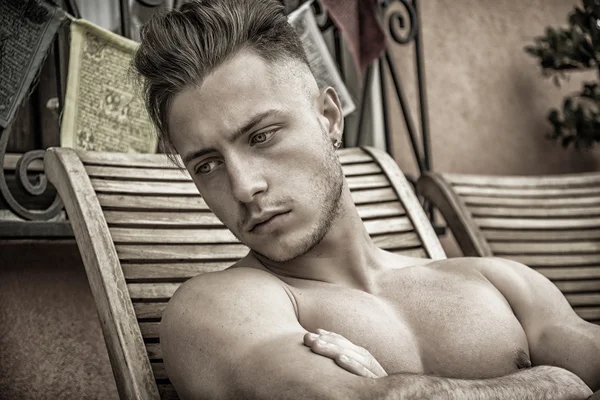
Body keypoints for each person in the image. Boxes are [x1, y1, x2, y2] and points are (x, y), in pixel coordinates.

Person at [133, 0, 600, 398]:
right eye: (207, 165)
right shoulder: (214, 309)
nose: (243, 187)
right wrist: (554, 384)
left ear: (330, 118)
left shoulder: (498, 282)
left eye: (262, 136)